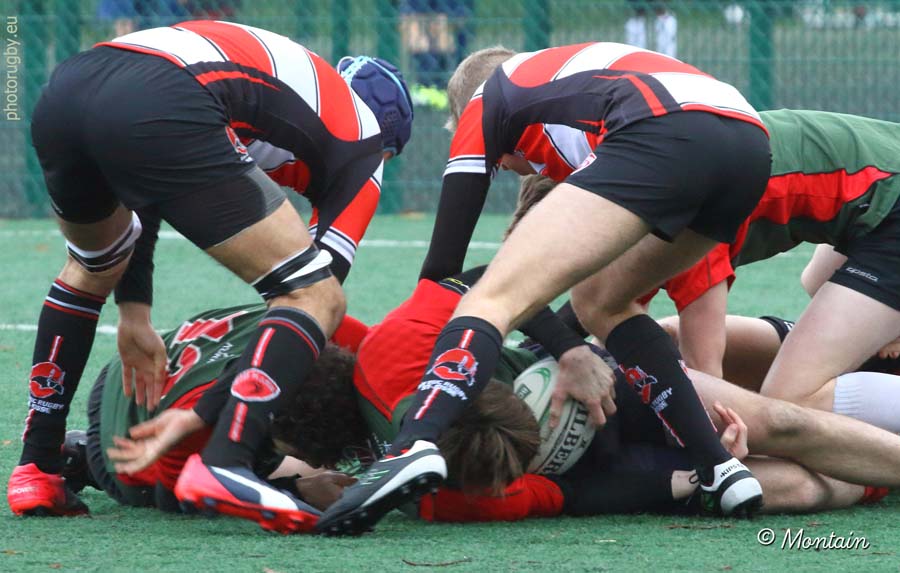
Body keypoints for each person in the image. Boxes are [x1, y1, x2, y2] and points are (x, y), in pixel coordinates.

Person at [318, 40, 773, 533]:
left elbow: (443, 268)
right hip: (750, 142)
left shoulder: (485, 100)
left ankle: (415, 444)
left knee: (491, 295)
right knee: (603, 302)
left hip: (664, 127)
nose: (508, 169)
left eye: (501, 162)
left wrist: (520, 335)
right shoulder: (565, 95)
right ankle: (719, 468)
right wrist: (559, 344)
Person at [7, 19, 413, 531]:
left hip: (69, 90)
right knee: (314, 297)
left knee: (92, 268)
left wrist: (135, 312)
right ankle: (227, 461)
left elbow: (144, 166)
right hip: (163, 94)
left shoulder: (297, 98)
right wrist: (206, 413)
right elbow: (308, 310)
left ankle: (37, 466)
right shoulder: (366, 144)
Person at [636, 110, 900, 434]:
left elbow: (705, 386)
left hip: (888, 194)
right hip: (881, 183)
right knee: (668, 338)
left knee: (790, 400)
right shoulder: (643, 188)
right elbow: (612, 318)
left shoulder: (689, 214)